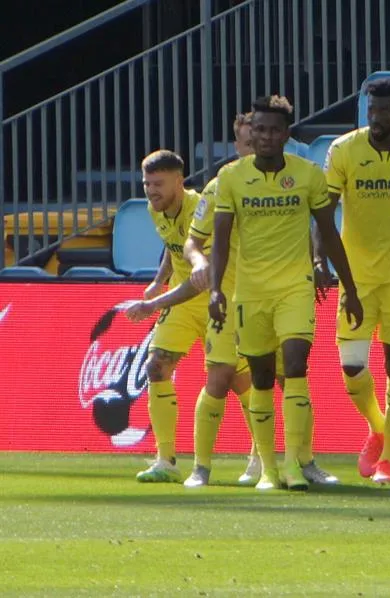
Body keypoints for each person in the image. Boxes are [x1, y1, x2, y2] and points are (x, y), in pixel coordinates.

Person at [127, 112, 339, 487]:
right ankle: (182, 463)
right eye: (244, 141)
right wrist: (160, 283)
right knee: (172, 369)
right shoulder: (213, 190)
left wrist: (317, 262)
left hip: (257, 293)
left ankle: (286, 461)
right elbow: (181, 243)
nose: (250, 147)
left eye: (255, 138)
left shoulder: (251, 186)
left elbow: (294, 229)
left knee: (275, 379)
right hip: (209, 297)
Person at [209, 95, 363, 491]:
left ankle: (294, 465)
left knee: (295, 365)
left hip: (295, 288)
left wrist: (350, 288)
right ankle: (268, 469)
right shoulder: (231, 178)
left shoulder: (309, 175)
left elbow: (328, 233)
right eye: (259, 129)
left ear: (286, 134)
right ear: (251, 132)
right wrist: (215, 291)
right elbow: (222, 241)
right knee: (261, 378)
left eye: (274, 129)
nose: (266, 136)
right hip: (250, 293)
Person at [317, 78, 390, 485]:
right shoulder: (344, 150)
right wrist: (321, 261)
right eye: (372, 110)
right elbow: (324, 212)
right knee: (351, 367)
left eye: (385, 110)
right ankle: (379, 426)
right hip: (356, 276)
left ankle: (389, 459)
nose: (377, 117)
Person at [132, 150, 207, 483]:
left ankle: (257, 458)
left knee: (236, 379)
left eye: (158, 183)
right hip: (180, 297)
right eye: (147, 183)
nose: (151, 191)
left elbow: (199, 274)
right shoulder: (155, 208)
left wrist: (153, 304)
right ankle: (166, 460)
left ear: (179, 180)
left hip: (219, 298)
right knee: (156, 367)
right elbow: (171, 244)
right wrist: (158, 280)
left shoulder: (202, 209)